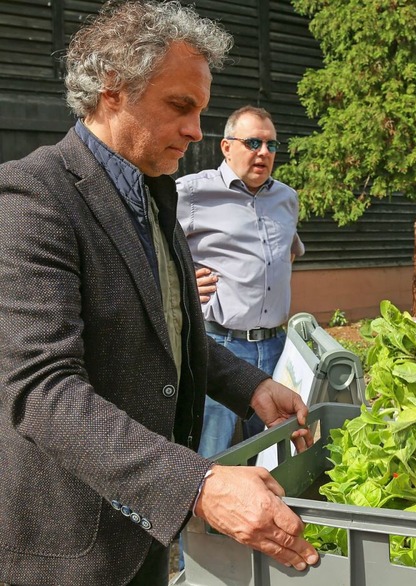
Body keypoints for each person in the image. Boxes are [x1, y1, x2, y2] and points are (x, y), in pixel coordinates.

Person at [0, 2, 318, 585]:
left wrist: (250, 384)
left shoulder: (153, 192)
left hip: (145, 523)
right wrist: (197, 483)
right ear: (112, 89)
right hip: (72, 547)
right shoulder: (33, 199)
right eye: (181, 106)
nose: (198, 130)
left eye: (201, 109)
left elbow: (168, 329)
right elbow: (41, 390)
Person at [176, 105, 304, 457]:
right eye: (253, 143)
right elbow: (150, 247)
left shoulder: (286, 199)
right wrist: (182, 281)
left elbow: (286, 254)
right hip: (220, 347)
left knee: (270, 453)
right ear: (226, 146)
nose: (264, 153)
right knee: (211, 454)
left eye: (271, 145)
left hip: (277, 349)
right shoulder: (190, 194)